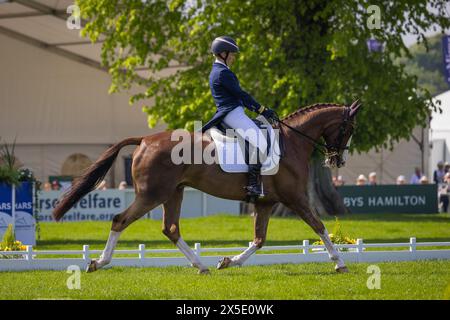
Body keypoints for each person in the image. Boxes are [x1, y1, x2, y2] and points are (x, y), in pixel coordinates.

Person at [201, 36, 278, 201]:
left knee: (259, 134)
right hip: (232, 113)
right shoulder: (222, 73)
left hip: (234, 112)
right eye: (232, 54)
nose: (234, 57)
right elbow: (241, 95)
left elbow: (240, 97)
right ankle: (253, 185)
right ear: (223, 53)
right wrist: (262, 109)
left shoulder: (219, 71)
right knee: (260, 141)